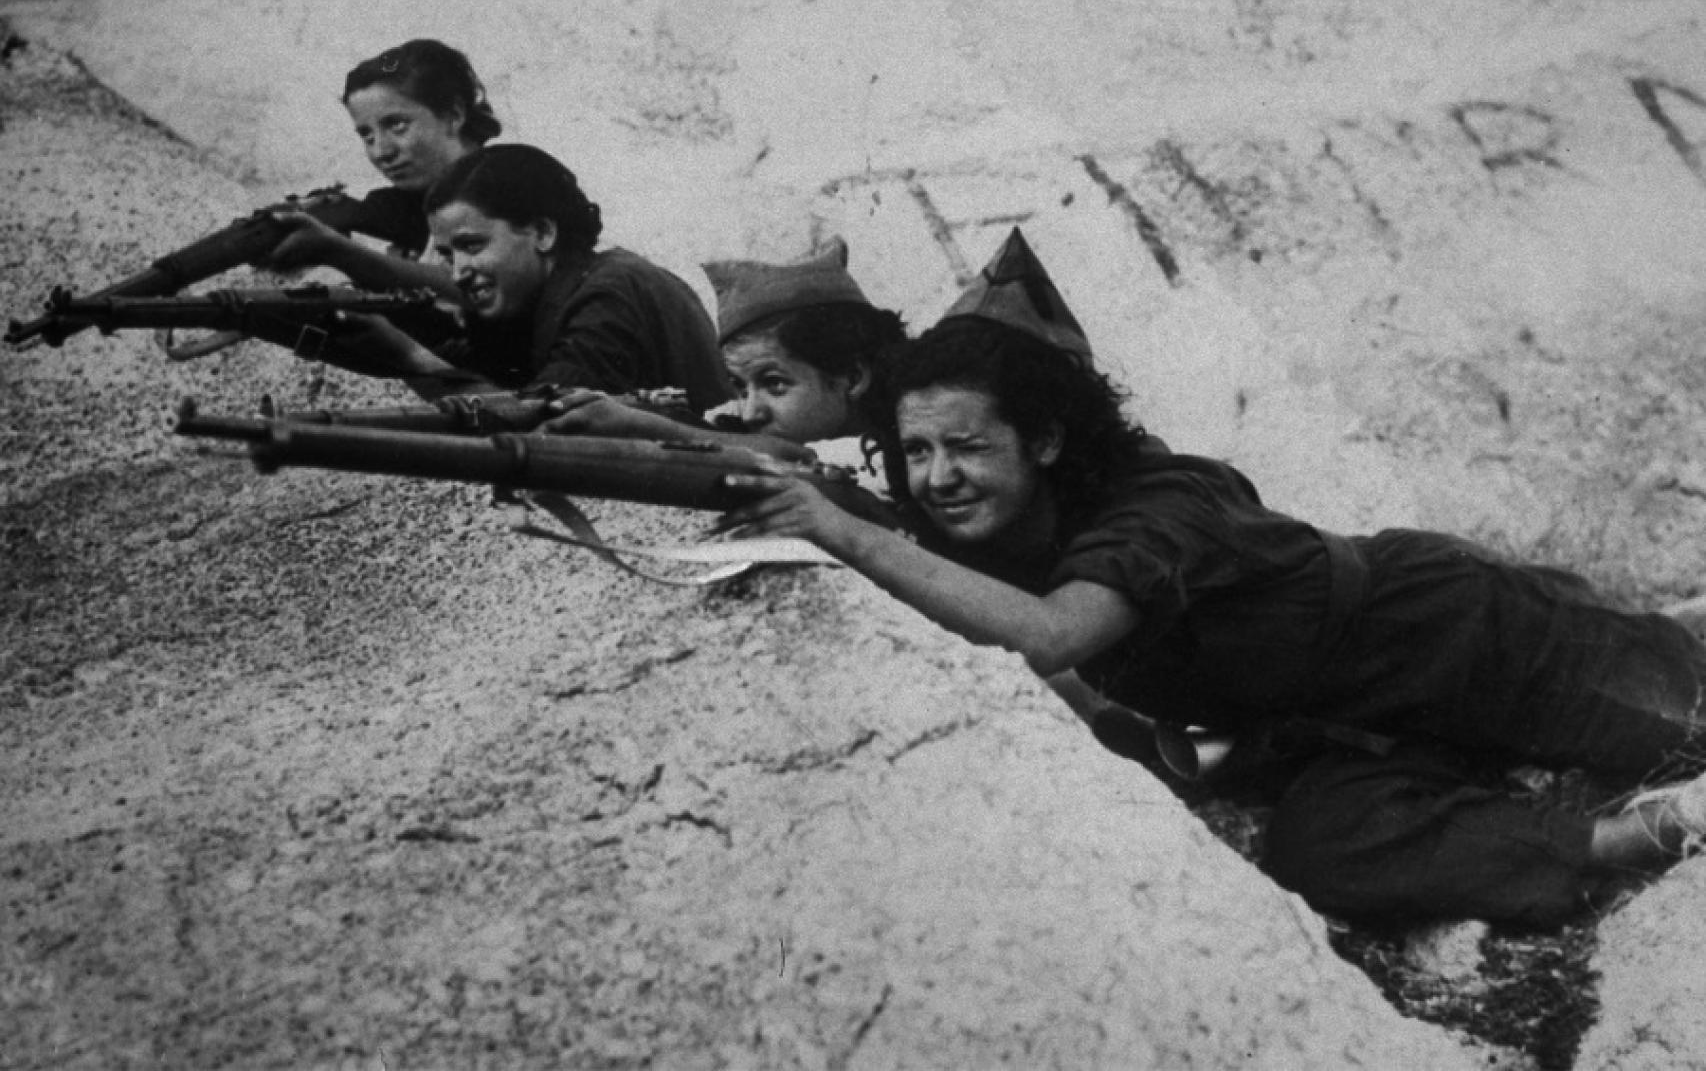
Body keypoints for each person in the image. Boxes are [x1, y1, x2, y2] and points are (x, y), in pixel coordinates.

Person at [722, 228, 1706, 928]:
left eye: (964, 447)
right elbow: (852, 471)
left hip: (1450, 636)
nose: (936, 477)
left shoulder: (1160, 504)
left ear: (1048, 436)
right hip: (1335, 722)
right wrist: (654, 433)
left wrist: (840, 533)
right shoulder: (1016, 510)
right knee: (1317, 849)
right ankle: (1631, 834)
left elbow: (1048, 634)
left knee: (1676, 704)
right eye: (918, 449)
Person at [360, 142, 731, 411]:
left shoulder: (610, 295)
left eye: (472, 246)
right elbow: (481, 367)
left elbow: (545, 421)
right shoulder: (551, 295)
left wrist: (409, 358)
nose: (457, 273)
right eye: (445, 255)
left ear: (542, 233)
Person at [542, 237, 905, 460]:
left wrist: (642, 424)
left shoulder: (903, 447)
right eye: (740, 387)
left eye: (775, 383)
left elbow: (802, 459)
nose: (750, 413)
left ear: (853, 377)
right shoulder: (738, 421)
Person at [259, 38, 500, 296]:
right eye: (367, 135)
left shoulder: (505, 192)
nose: (381, 152)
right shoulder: (406, 208)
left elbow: (483, 289)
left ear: (454, 115)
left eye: (397, 125)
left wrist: (340, 252)